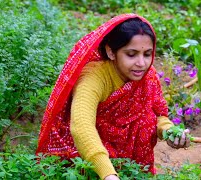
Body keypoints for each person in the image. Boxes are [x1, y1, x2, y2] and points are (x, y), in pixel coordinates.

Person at [36, 14, 190, 180]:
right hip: (89, 160)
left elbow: (157, 114)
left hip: (133, 164)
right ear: (111, 51)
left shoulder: (148, 76)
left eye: (147, 54)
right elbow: (81, 125)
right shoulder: (94, 77)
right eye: (131, 54)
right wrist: (107, 174)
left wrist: (168, 131)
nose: (141, 63)